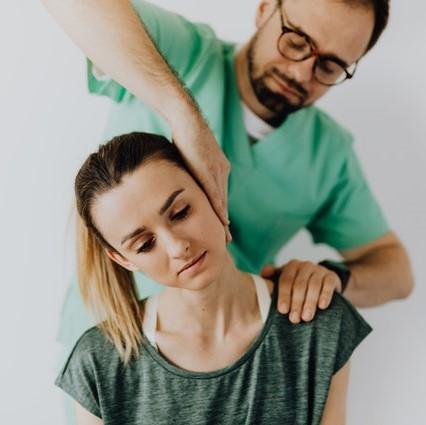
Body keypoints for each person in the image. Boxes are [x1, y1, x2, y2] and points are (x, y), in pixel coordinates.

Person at [56, 131, 372, 425]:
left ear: (212, 190)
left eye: (180, 213)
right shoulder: (97, 363)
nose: (178, 247)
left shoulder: (318, 326)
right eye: (145, 244)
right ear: (123, 259)